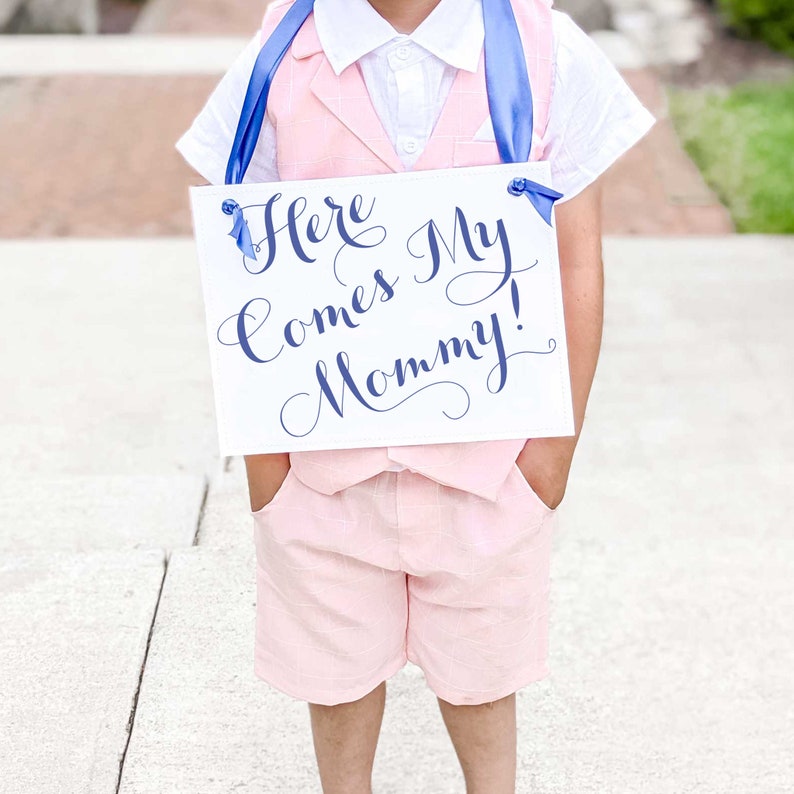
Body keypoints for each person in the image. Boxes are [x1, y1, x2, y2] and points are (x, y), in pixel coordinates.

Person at [176, 0, 654, 791]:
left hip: (489, 473)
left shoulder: (542, 47)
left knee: (483, 684)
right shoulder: (281, 51)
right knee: (335, 684)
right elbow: (242, 253)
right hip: (323, 476)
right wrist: (269, 470)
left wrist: (551, 456)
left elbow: (576, 259)